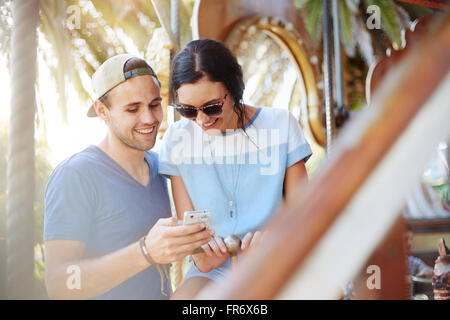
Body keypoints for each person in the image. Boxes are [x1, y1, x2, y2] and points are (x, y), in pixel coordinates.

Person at [44, 54, 214, 299]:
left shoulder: (161, 166)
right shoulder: (76, 175)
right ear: (102, 110)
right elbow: (59, 285)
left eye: (155, 105)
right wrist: (145, 252)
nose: (149, 118)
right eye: (133, 109)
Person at [159, 39, 312, 299]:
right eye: (187, 111)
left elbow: (305, 216)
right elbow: (194, 239)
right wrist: (202, 252)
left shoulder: (281, 125)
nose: (202, 120)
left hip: (276, 260)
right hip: (212, 271)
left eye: (211, 107)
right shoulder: (177, 139)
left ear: (234, 88)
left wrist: (273, 243)